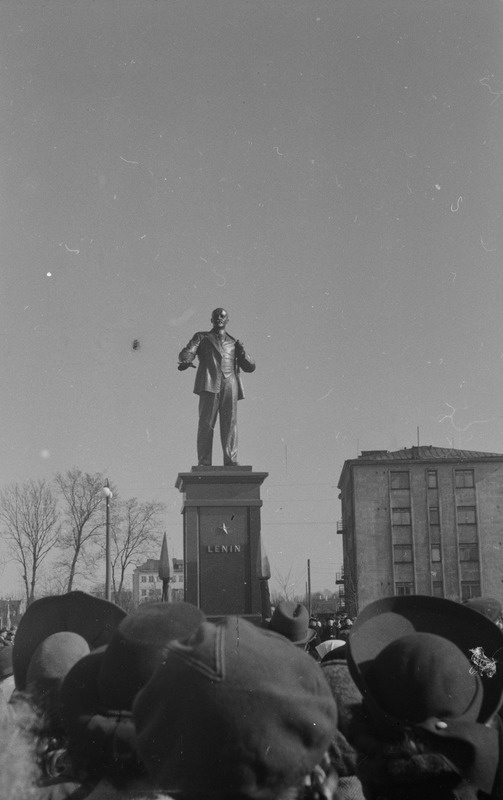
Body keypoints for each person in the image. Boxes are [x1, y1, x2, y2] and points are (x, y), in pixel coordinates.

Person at [178, 307, 255, 466]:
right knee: (206, 424)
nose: (219, 318)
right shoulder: (202, 337)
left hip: (230, 384)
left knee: (230, 424)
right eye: (216, 316)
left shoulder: (234, 343)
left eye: (223, 316)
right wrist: (186, 359)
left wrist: (242, 352)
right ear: (211, 320)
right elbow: (188, 351)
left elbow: (250, 367)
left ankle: (231, 460)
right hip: (209, 382)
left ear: (227, 320)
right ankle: (204, 462)